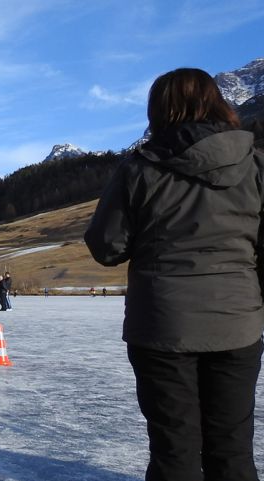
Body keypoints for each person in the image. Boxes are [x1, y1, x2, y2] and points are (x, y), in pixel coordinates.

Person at [84, 67, 264, 481]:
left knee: (174, 448)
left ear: (158, 110)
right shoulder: (254, 165)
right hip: (237, 324)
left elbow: (106, 246)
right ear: (218, 102)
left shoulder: (140, 168)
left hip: (162, 326)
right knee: (233, 448)